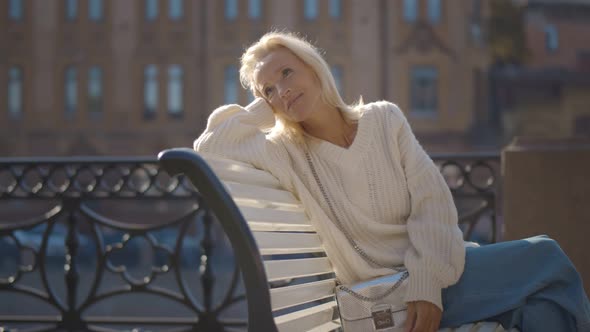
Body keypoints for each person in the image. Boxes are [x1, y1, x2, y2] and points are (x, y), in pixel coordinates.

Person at [194, 31, 590, 332]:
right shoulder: (284, 151)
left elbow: (431, 201)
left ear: (313, 67)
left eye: (287, 73)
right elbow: (208, 148)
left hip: (432, 274)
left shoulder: (383, 119)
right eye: (269, 90)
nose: (282, 90)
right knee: (548, 258)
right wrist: (263, 110)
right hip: (384, 296)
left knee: (540, 307)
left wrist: (426, 283)